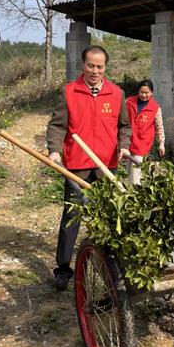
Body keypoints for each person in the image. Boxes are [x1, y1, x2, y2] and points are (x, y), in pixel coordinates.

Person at [46, 45, 131, 290]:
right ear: (83, 65)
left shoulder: (116, 94)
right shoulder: (69, 92)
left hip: (106, 166)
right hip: (77, 165)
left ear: (105, 67)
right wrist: (54, 149)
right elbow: (57, 125)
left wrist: (124, 146)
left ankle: (110, 266)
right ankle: (63, 268)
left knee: (108, 215)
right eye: (91, 65)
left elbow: (124, 126)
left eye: (100, 66)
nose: (95, 71)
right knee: (72, 217)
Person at [126, 79, 165, 185]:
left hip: (142, 142)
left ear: (151, 92)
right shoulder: (129, 102)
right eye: (141, 92)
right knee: (128, 169)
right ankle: (130, 192)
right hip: (128, 140)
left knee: (136, 170)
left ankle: (135, 194)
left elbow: (159, 127)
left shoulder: (155, 108)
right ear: (138, 92)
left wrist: (161, 143)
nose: (144, 95)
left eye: (147, 93)